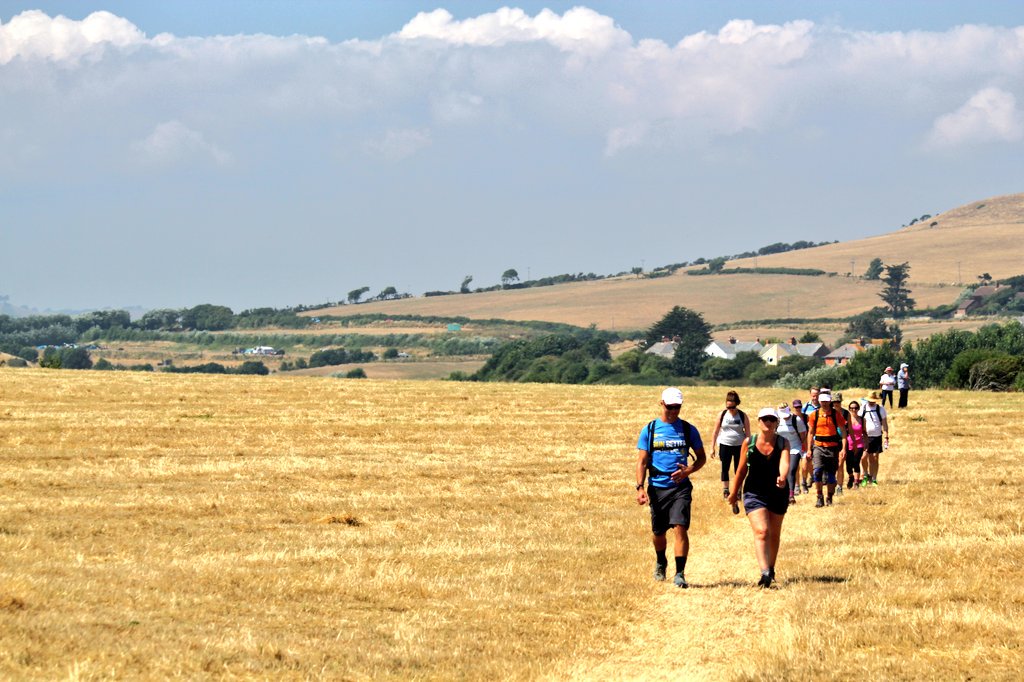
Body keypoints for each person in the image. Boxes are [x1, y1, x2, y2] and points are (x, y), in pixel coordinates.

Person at [635, 387, 707, 588]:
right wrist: (640, 487)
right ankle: (661, 562)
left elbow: (701, 458)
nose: (674, 411)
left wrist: (688, 470)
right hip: (657, 487)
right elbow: (642, 462)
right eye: (670, 406)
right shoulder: (649, 430)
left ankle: (680, 573)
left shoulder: (688, 429)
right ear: (662, 404)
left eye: (677, 407)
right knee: (658, 532)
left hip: (680, 488)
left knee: (680, 527)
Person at [728, 407, 790, 587]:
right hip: (754, 492)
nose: (768, 422)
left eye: (771, 419)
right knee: (762, 531)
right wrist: (733, 493)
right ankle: (764, 573)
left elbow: (785, 461)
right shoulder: (749, 442)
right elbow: (741, 470)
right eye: (764, 419)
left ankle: (771, 568)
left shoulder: (783, 442)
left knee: (774, 533)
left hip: (778, 491)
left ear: (777, 422)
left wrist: (782, 476)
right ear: (759, 421)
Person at [805, 392, 846, 508]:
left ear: (829, 401)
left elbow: (843, 432)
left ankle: (829, 497)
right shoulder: (814, 415)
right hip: (818, 446)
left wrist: (843, 448)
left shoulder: (836, 414)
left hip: (833, 447)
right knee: (817, 471)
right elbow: (810, 433)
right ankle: (819, 497)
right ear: (819, 401)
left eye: (826, 401)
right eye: (822, 401)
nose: (824, 403)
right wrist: (809, 449)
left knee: (831, 474)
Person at [710, 391, 751, 500]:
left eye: (733, 407)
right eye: (728, 407)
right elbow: (715, 432)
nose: (730, 410)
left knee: (739, 469)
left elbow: (748, 433)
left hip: (740, 446)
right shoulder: (722, 415)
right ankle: (726, 490)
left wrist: (749, 448)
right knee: (725, 468)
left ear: (737, 404)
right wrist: (712, 447)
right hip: (725, 444)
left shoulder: (742, 415)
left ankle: (738, 491)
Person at [777, 403, 806, 505]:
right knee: (780, 472)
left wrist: (804, 450)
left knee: (792, 470)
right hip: (781, 449)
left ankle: (791, 495)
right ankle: (780, 494)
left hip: (795, 448)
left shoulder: (796, 420)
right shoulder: (777, 420)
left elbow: (803, 435)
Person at [859, 390, 890, 486]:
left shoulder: (880, 409)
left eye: (873, 401)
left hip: (877, 436)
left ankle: (873, 478)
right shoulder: (863, 409)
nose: (871, 402)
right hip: (865, 437)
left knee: (874, 458)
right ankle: (865, 474)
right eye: (870, 401)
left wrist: (886, 436)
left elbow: (884, 424)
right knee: (863, 457)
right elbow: (858, 421)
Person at [845, 400, 865, 489]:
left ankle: (856, 482)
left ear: (858, 409)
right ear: (849, 409)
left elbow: (864, 432)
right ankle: (851, 477)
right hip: (848, 444)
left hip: (859, 444)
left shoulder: (862, 419)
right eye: (852, 408)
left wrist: (866, 443)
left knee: (856, 462)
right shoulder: (846, 419)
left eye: (856, 408)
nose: (854, 410)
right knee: (848, 465)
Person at [832, 391, 848, 494]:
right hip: (831, 441)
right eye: (834, 402)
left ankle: (839, 486)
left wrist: (845, 447)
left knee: (840, 464)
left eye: (838, 401)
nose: (836, 404)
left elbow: (849, 429)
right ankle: (832, 483)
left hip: (842, 440)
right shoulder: (829, 413)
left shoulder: (846, 413)